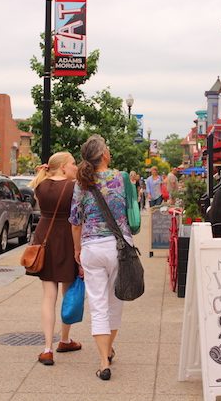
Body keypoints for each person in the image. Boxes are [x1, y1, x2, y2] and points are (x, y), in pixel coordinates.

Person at [69, 135, 133, 381]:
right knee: (115, 303)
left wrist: (77, 250)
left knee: (98, 305)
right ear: (104, 155)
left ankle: (104, 361)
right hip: (119, 247)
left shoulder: (81, 182)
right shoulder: (121, 178)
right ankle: (107, 349)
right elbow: (130, 210)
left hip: (92, 247)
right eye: (107, 148)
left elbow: (75, 222)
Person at [29, 152, 82, 366]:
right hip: (66, 238)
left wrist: (42, 172)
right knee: (67, 293)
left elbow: (36, 199)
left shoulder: (40, 186)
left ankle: (47, 348)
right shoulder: (73, 187)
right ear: (62, 167)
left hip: (44, 238)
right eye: (72, 164)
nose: (75, 167)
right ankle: (65, 339)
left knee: (48, 296)